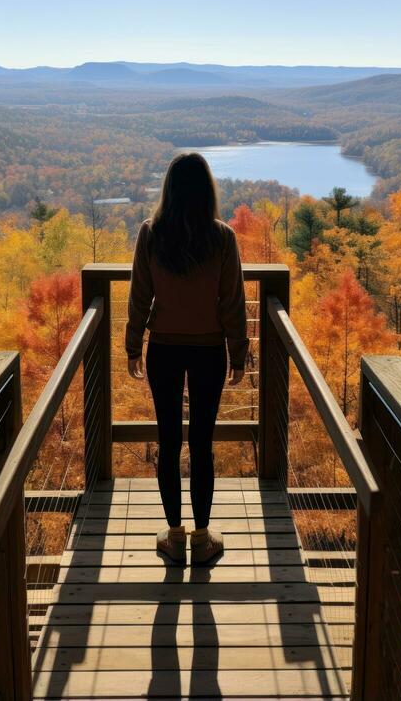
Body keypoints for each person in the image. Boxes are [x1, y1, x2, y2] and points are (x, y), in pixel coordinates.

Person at [125, 153, 249, 565]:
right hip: (209, 349)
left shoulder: (151, 233)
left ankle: (174, 537)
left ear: (170, 189)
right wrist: (238, 351)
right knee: (201, 443)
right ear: (207, 190)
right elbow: (232, 301)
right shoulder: (223, 237)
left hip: (163, 348)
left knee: (168, 438)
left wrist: (132, 345)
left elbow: (140, 295)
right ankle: (201, 538)